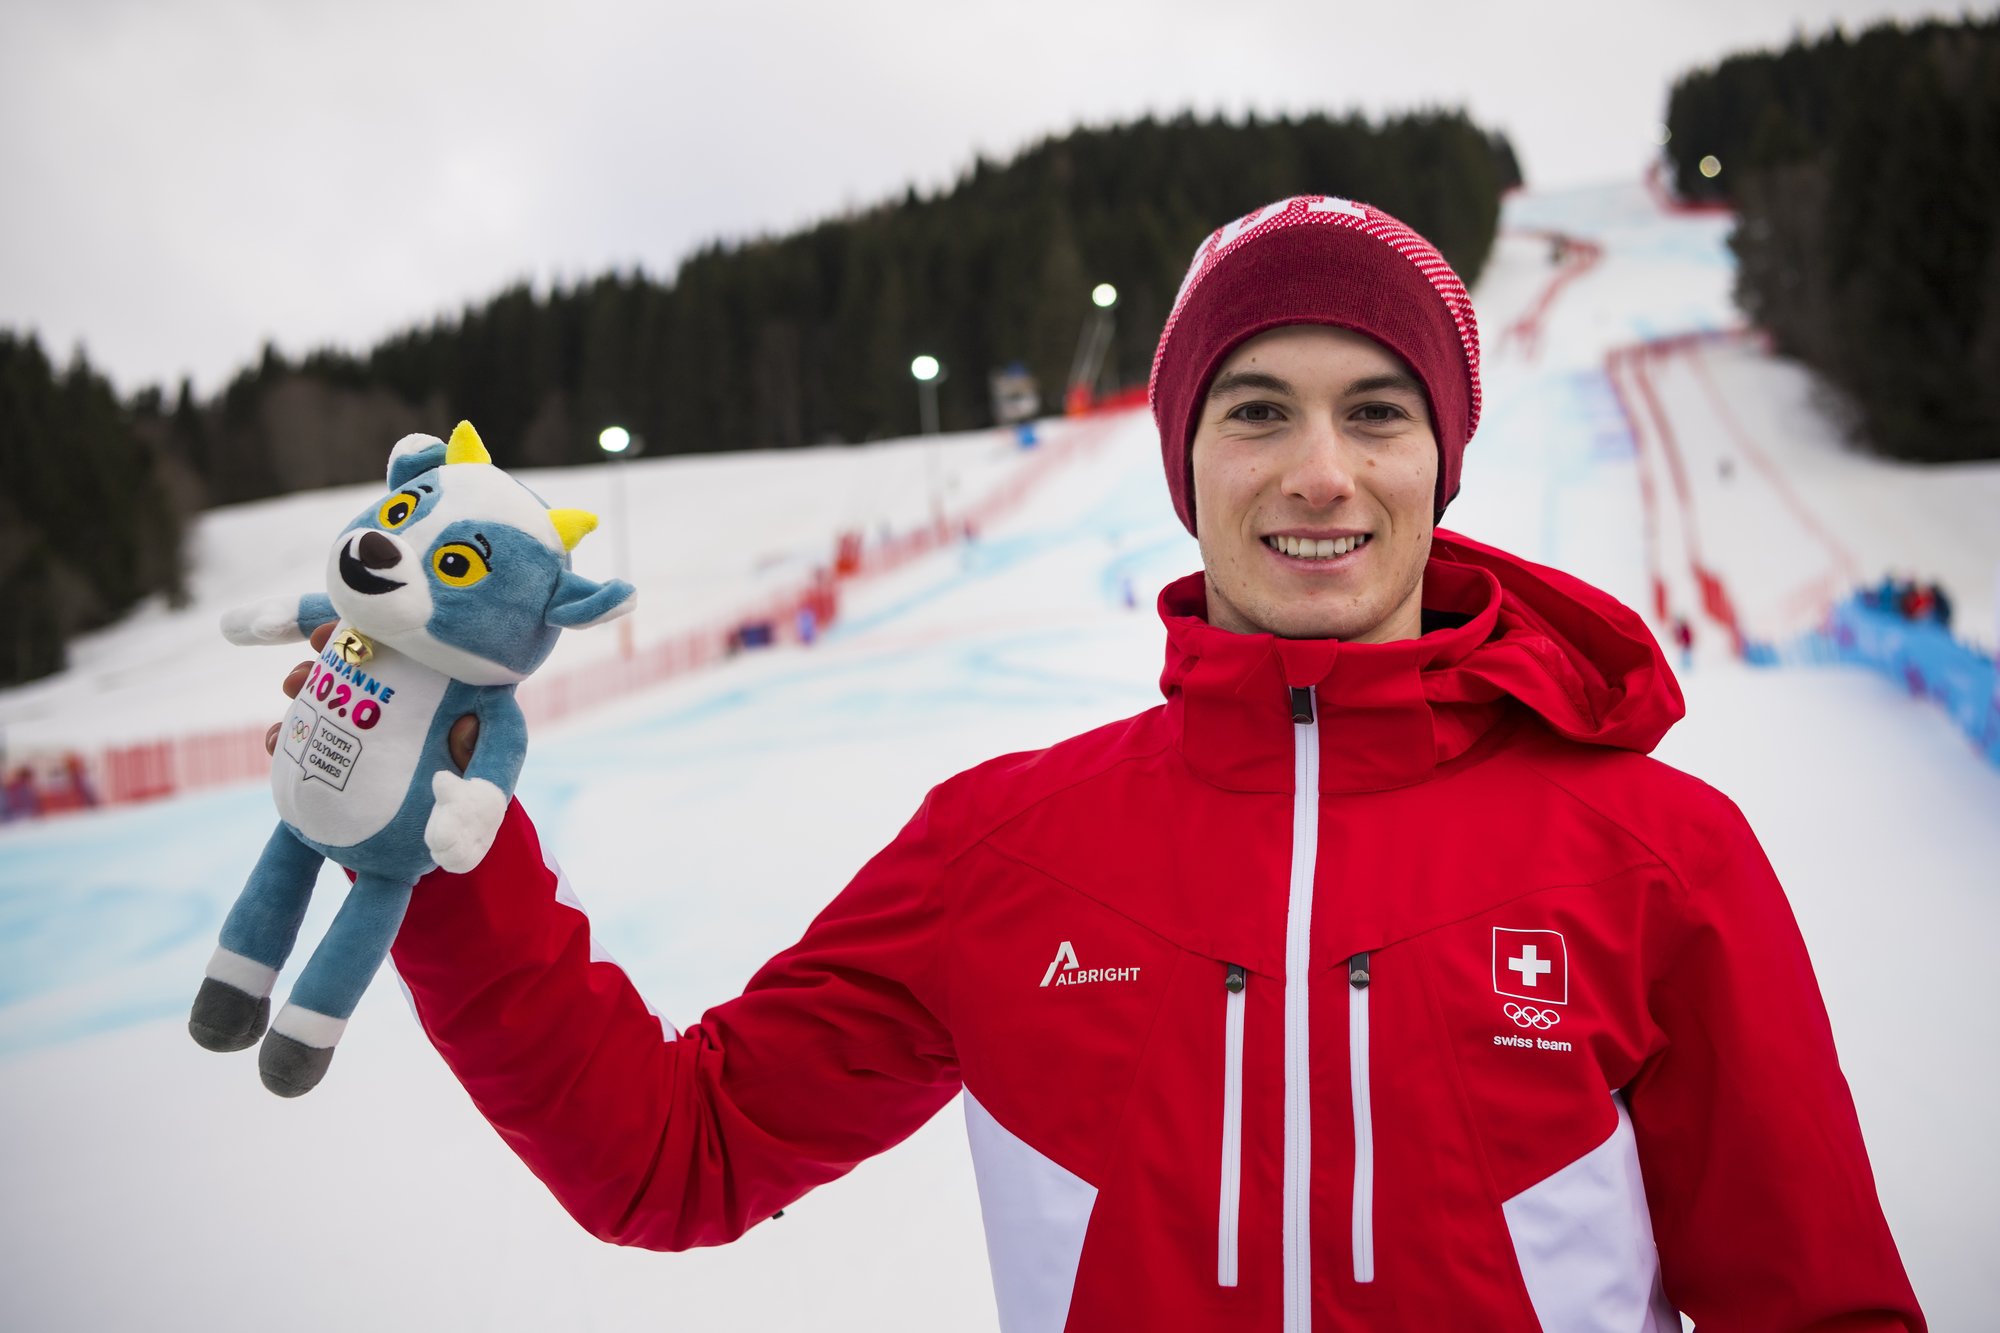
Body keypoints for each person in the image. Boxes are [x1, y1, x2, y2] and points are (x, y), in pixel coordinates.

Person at [271, 196, 1923, 1330]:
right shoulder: (1009, 849)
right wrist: (448, 866)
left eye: (1379, 411)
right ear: (1187, 461)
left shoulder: (1652, 851)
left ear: (1445, 459)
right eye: (1257, 409)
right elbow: (672, 1155)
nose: (1319, 470)